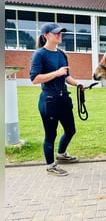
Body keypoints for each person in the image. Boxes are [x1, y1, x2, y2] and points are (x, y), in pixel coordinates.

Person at [30, 23, 84, 176]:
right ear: (46, 35)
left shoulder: (62, 54)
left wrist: (78, 84)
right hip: (49, 99)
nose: (59, 35)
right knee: (50, 135)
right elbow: (35, 79)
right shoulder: (40, 54)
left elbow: (66, 76)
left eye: (60, 33)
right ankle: (50, 166)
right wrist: (56, 73)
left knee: (70, 130)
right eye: (56, 33)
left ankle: (61, 154)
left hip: (63, 98)